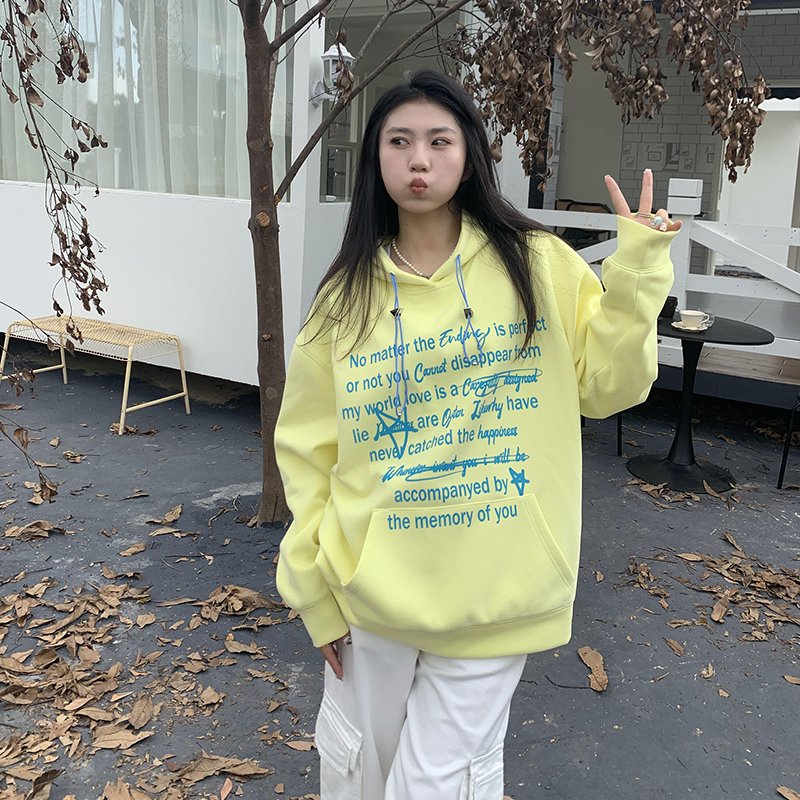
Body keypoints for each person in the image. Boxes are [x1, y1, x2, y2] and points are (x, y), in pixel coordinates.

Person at [274, 69, 680, 800]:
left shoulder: (537, 264)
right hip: (368, 595)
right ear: (375, 160)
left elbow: (608, 387)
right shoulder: (344, 298)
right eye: (399, 142)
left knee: (435, 787)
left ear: (468, 158)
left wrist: (639, 269)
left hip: (498, 592)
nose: (419, 160)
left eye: (439, 141)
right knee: (358, 775)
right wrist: (314, 592)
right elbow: (307, 450)